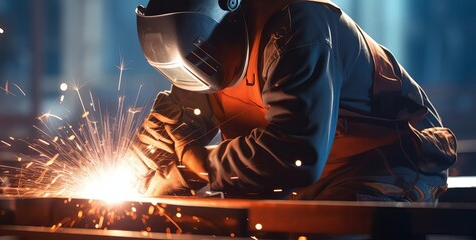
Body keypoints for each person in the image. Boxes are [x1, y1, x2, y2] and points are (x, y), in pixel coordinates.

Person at [132, 0, 457, 201]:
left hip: (385, 163)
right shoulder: (207, 54)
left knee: (326, 227)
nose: (196, 70)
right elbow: (173, 125)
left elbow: (297, 154)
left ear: (227, 11)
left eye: (201, 55)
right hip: (308, 174)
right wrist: (138, 170)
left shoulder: (297, 31)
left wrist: (200, 166)